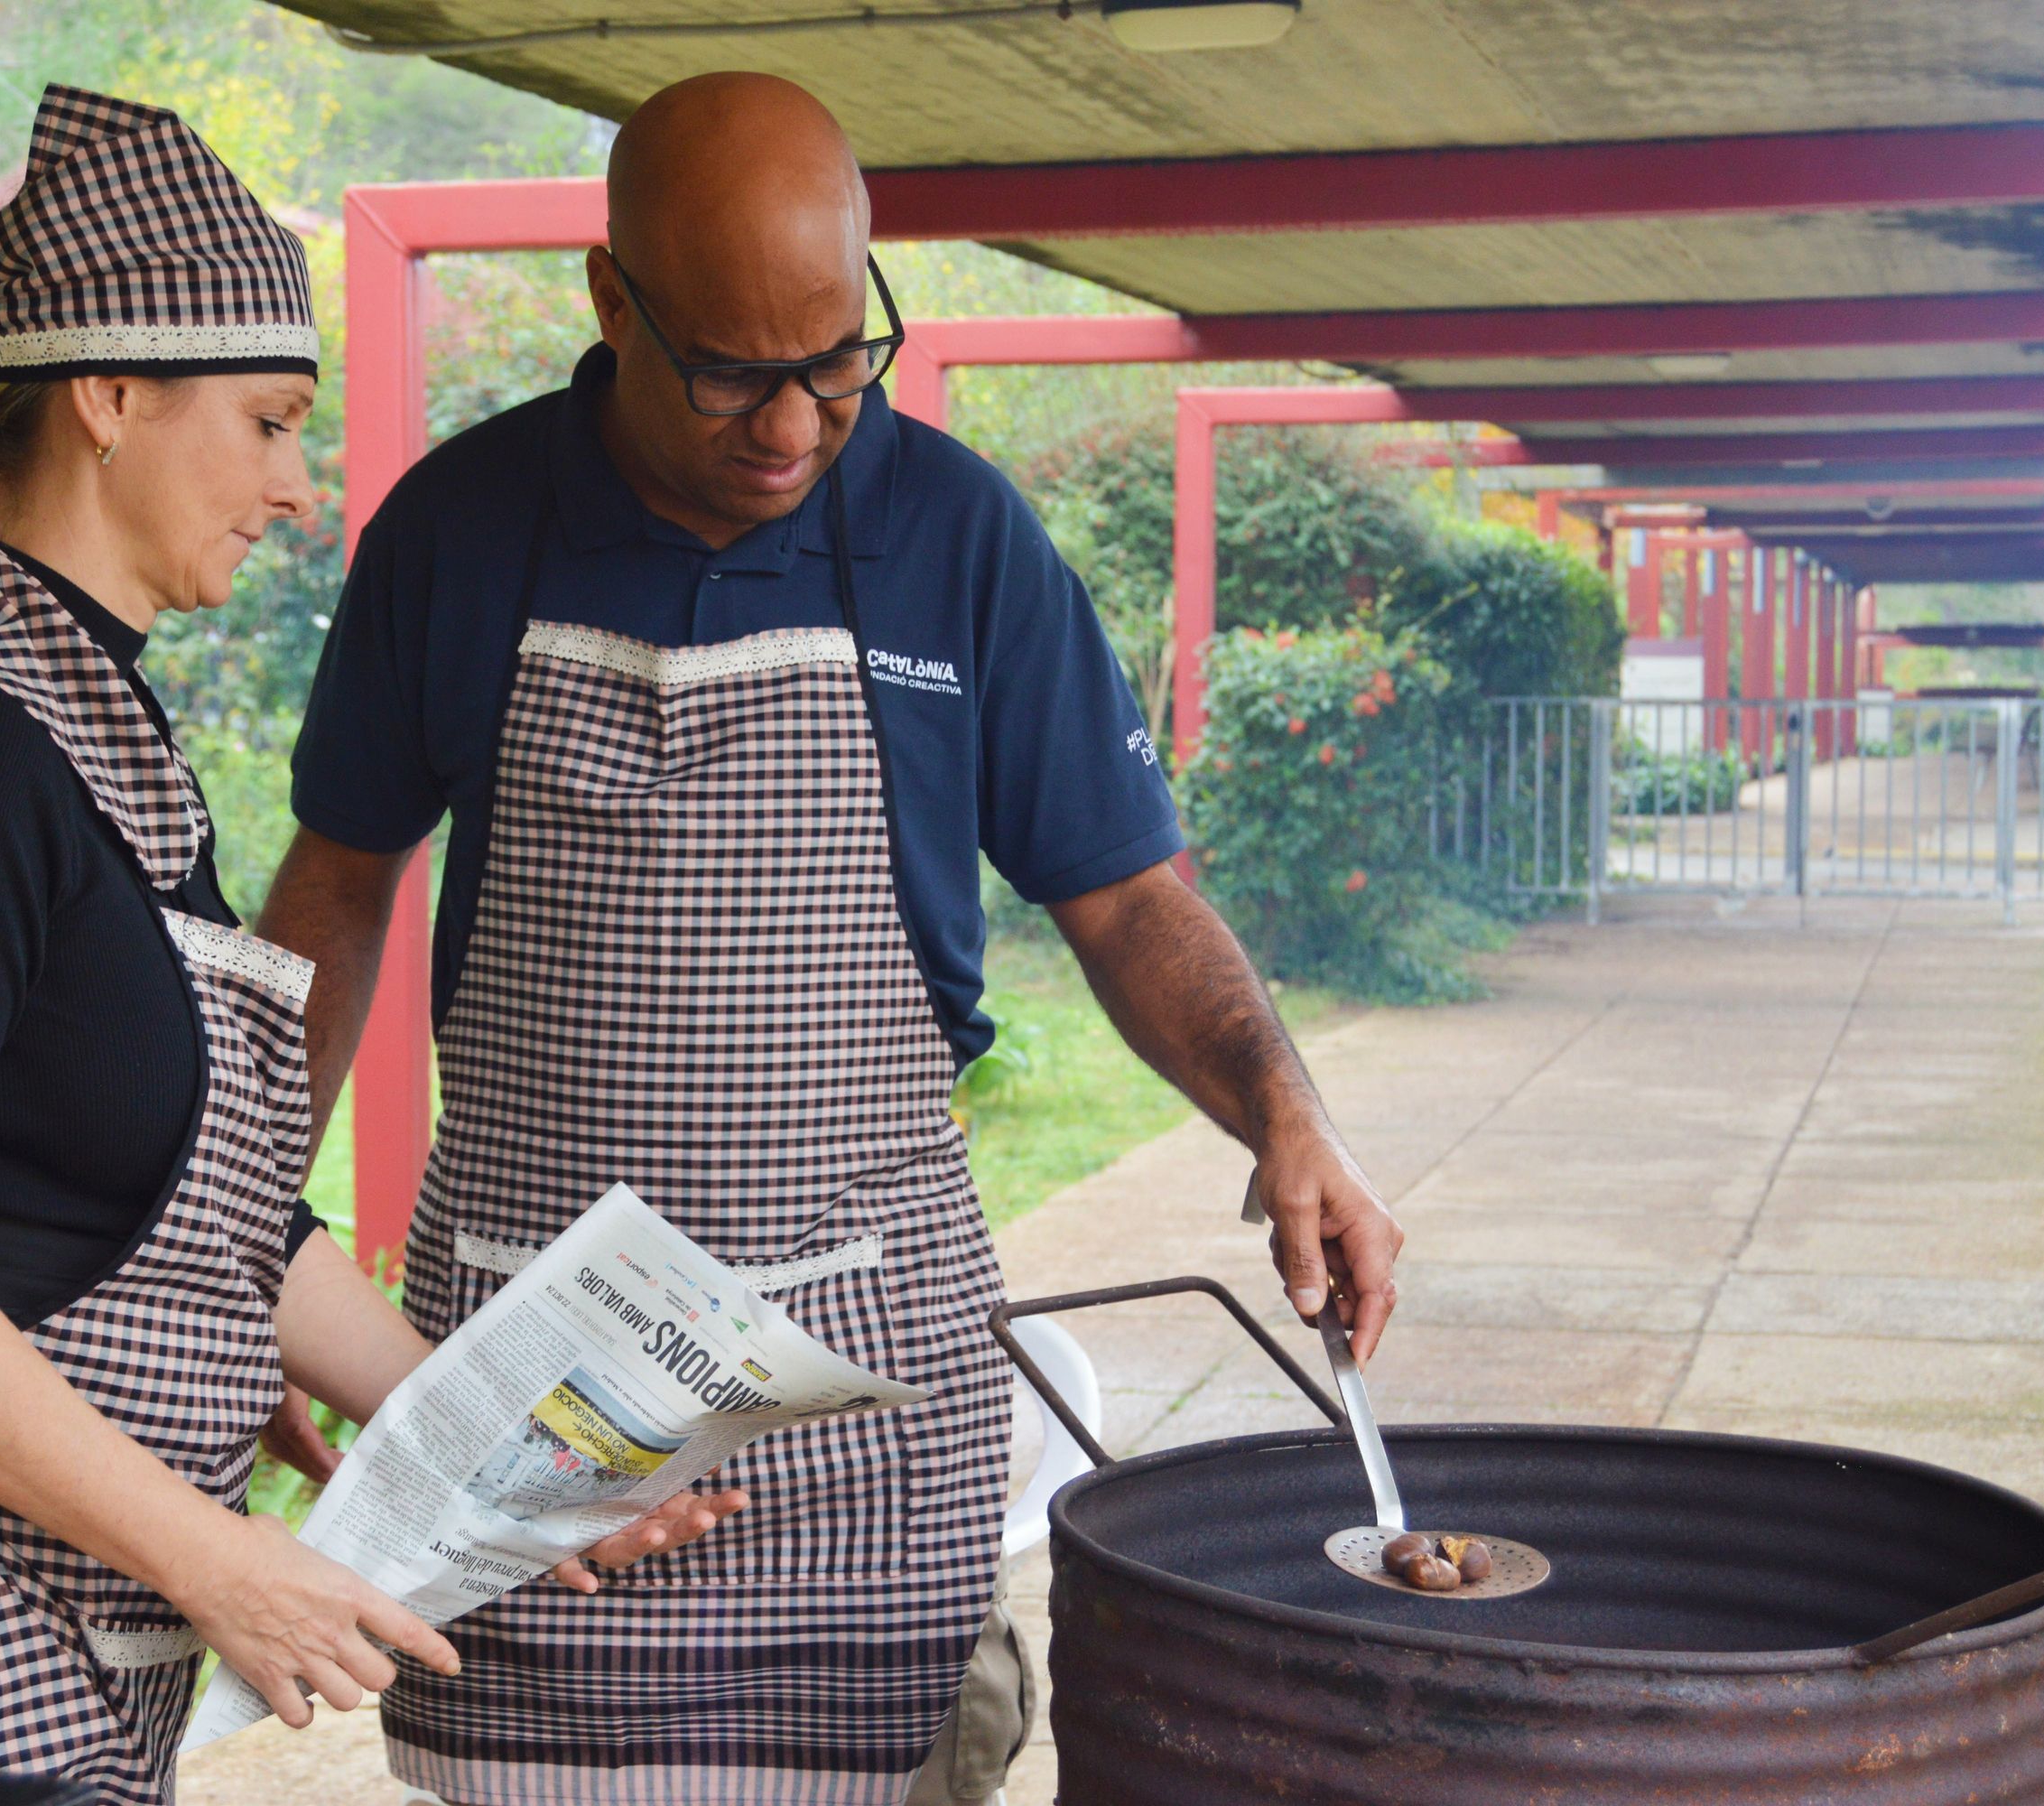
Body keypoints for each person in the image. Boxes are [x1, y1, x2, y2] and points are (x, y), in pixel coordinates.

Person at [257, 70, 1406, 1806]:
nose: (793, 427)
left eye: (834, 360)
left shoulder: (958, 540)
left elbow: (1124, 895)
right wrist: (257, 1235)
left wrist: (1284, 1114)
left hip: (871, 1398)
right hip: (544, 1398)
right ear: (609, 300)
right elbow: (339, 884)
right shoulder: (462, 534)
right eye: (731, 372)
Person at [0, 86, 734, 1806]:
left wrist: (515, 1462)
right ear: (113, 398)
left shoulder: (86, 726)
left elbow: (210, 1211)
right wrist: (217, 1559)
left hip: (35, 1616)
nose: (299, 489)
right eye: (273, 424)